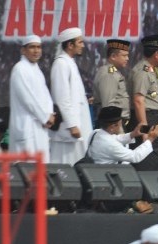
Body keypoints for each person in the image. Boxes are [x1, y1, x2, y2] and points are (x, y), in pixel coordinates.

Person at [9, 35, 55, 163]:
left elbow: (46, 96)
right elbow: (27, 99)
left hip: (40, 126)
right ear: (23, 50)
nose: (36, 51)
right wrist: (45, 117)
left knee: (41, 171)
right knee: (25, 171)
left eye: (39, 47)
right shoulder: (20, 69)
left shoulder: (36, 70)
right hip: (26, 126)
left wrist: (50, 114)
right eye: (32, 47)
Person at [50, 27, 93, 165]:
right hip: (69, 128)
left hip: (78, 126)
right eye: (80, 42)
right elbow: (61, 98)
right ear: (70, 45)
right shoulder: (61, 64)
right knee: (65, 166)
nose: (83, 45)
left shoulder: (69, 62)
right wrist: (72, 125)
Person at [129, 34, 158, 171]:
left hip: (155, 118)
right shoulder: (143, 71)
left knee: (154, 158)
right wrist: (144, 129)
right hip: (146, 118)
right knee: (146, 160)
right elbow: (138, 100)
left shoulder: (153, 70)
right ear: (156, 54)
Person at [88, 106, 158, 164]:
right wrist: (150, 139)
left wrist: (132, 134)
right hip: (107, 177)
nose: (120, 126)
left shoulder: (96, 132)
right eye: (119, 124)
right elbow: (134, 157)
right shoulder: (111, 145)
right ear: (113, 126)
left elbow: (115, 138)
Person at [93, 39, 131, 129]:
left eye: (127, 55)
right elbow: (108, 105)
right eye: (124, 56)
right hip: (113, 125)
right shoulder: (109, 74)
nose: (127, 58)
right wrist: (114, 128)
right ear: (113, 56)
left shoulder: (114, 72)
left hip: (117, 123)